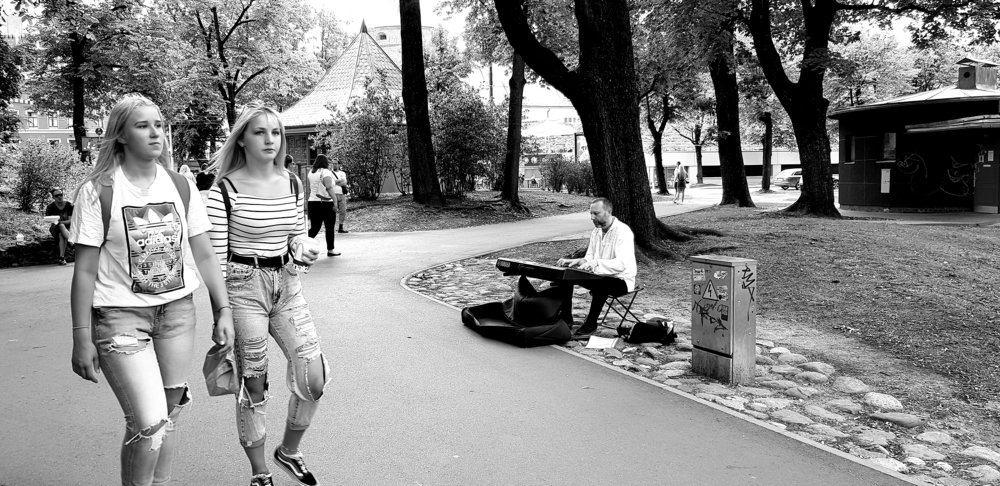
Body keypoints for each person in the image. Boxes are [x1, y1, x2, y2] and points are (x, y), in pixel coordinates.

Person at [67, 95, 235, 486]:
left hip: (177, 312)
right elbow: (85, 270)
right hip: (119, 318)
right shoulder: (98, 190)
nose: (155, 133)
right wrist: (80, 337)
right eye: (143, 125)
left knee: (169, 413)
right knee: (149, 420)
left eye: (159, 124)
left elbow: (204, 253)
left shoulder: (181, 185)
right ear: (121, 135)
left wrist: (222, 309)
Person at [205, 103, 329, 486]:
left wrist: (303, 247)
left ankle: (288, 451)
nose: (270, 140)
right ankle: (260, 472)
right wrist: (221, 312)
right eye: (259, 132)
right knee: (254, 383)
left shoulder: (293, 183)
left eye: (275, 132)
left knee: (314, 377)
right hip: (243, 290)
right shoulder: (222, 191)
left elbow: (295, 234)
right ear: (242, 138)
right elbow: (216, 260)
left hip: (287, 285)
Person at [556, 197, 637, 337]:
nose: (592, 217)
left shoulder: (623, 231)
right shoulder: (596, 232)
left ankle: (591, 324)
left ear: (608, 212)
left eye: (596, 213)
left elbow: (621, 264)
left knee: (601, 286)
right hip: (598, 275)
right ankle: (566, 319)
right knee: (565, 276)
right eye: (591, 213)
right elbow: (589, 258)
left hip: (621, 280)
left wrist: (595, 263)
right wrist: (576, 261)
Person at [306, 154, 340, 256]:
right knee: (329, 227)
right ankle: (330, 250)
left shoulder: (311, 172)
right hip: (325, 203)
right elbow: (329, 187)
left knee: (315, 227)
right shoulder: (325, 172)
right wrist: (335, 201)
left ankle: (303, 245)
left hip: (312, 201)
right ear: (325, 162)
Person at [46, 187, 74, 265]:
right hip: (55, 228)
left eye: (60, 194)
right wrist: (57, 223)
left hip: (68, 228)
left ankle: (62, 258)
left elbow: (70, 221)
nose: (59, 197)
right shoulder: (50, 207)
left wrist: (60, 222)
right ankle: (72, 242)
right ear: (53, 197)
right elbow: (48, 220)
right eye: (56, 196)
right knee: (60, 227)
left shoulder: (69, 205)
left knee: (61, 233)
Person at [331, 160, 348, 233]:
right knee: (332, 211)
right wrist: (340, 180)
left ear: (339, 165)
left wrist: (335, 182)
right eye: (333, 164)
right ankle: (331, 227)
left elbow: (345, 183)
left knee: (343, 211)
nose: (334, 165)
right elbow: (330, 183)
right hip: (333, 194)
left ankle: (340, 227)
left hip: (341, 194)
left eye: (336, 164)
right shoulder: (329, 173)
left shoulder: (342, 173)